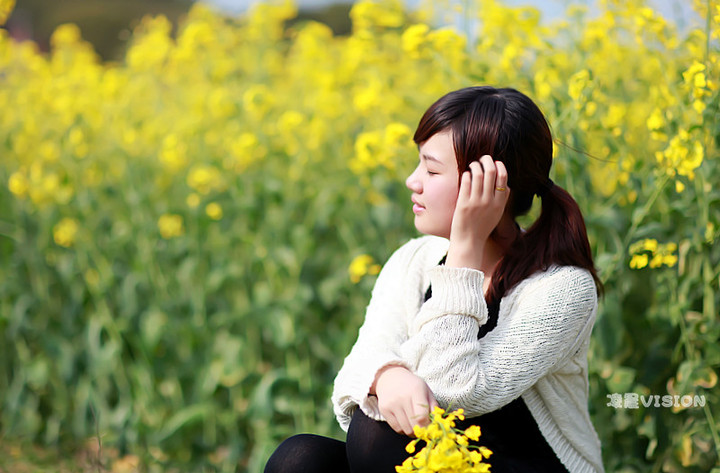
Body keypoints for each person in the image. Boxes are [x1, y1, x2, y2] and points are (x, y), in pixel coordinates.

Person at [264, 86, 605, 473]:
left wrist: (465, 250)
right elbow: (356, 368)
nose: (413, 181)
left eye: (431, 169)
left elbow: (455, 389)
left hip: (530, 464)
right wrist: (387, 376)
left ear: (490, 184)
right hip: (441, 457)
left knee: (379, 434)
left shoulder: (562, 289)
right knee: (300, 460)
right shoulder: (414, 258)